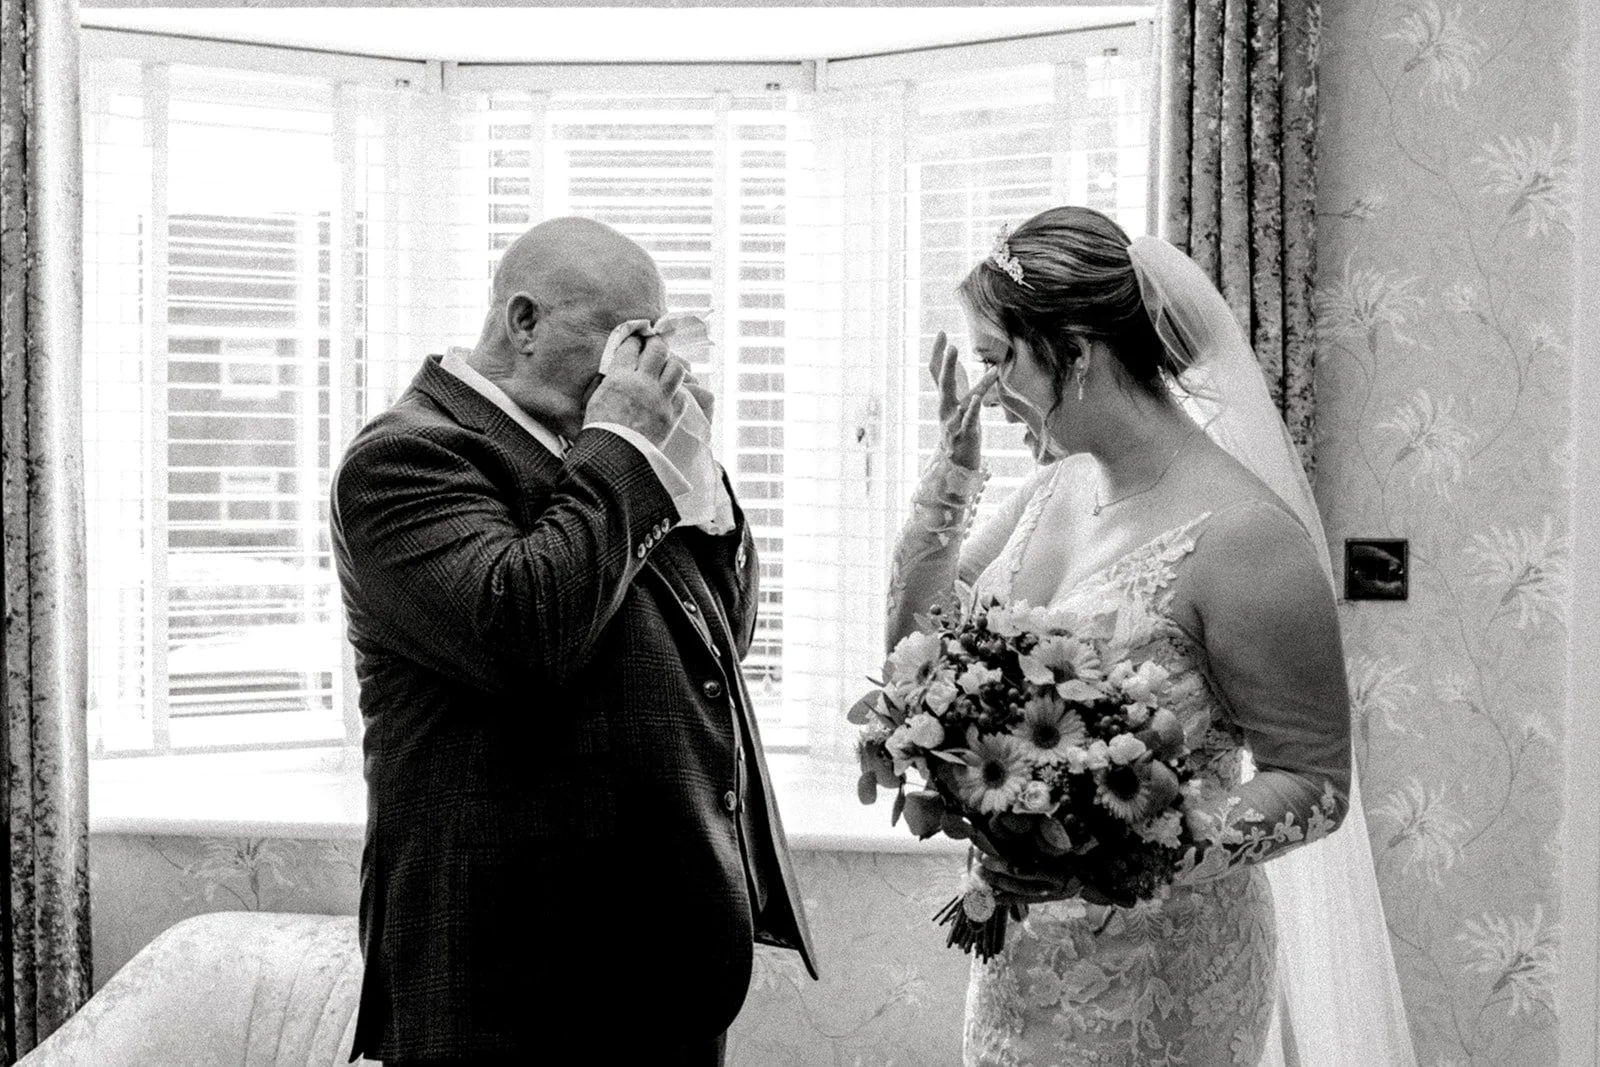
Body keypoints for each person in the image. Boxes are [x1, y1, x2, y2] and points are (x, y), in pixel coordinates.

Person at [884, 206, 1414, 1066]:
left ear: (1076, 352)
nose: (987, 391)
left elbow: (1315, 782)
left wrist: (1117, 850)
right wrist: (951, 480)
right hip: (1022, 966)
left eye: (997, 361)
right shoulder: (1051, 490)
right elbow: (913, 657)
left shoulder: (1245, 535)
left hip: (1161, 986)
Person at [330, 216, 817, 1066]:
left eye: (657, 341)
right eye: (627, 337)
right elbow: (525, 632)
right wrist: (624, 443)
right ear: (524, 321)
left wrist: (694, 473)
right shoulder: (408, 455)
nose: (648, 367)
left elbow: (723, 643)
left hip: (660, 965)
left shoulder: (595, 450)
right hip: (508, 977)